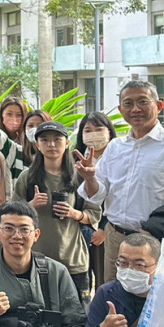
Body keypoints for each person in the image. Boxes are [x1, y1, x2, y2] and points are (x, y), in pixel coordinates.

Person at [77, 80, 164, 285]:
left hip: (156, 242)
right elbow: (97, 194)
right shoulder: (115, 148)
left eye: (143, 102)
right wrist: (90, 177)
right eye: (128, 104)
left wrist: (156, 233)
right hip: (116, 238)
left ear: (159, 106)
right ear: (121, 110)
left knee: (155, 299)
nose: (135, 109)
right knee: (113, 296)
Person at [13, 121, 100, 297]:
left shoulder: (79, 177)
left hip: (73, 259)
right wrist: (31, 206)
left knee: (77, 310)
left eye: (57, 139)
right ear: (38, 145)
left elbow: (94, 214)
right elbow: (11, 214)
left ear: (67, 143)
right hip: (36, 259)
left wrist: (74, 213)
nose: (51, 144)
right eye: (44, 140)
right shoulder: (27, 177)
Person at [74, 111, 118, 287]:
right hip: (78, 228)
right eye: (88, 130)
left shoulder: (118, 158)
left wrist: (105, 228)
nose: (93, 134)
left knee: (104, 279)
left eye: (99, 129)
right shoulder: (74, 159)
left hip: (107, 230)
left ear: (109, 132)